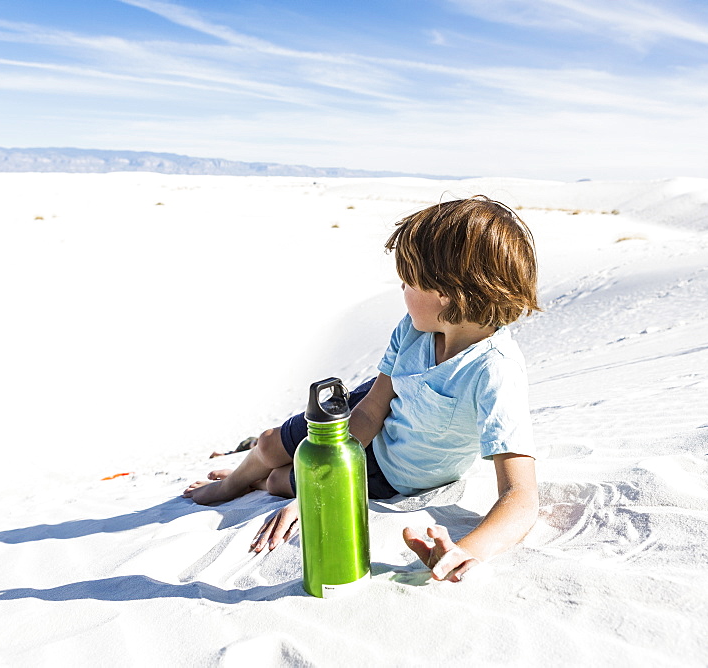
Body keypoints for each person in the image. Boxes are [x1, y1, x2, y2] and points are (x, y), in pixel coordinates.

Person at [184, 196, 541, 583]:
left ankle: (254, 478)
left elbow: (520, 497)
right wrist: (319, 481)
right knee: (271, 444)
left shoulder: (494, 371)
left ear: (446, 292)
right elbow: (371, 409)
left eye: (409, 281)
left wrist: (468, 551)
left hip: (395, 472)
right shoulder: (414, 328)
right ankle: (233, 484)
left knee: (276, 481)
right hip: (373, 412)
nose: (401, 288)